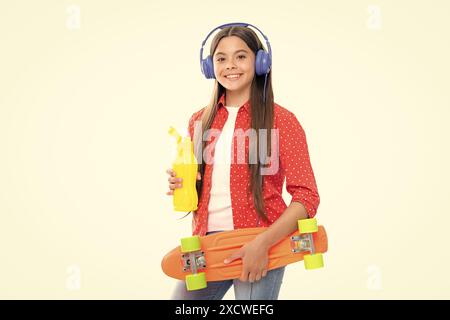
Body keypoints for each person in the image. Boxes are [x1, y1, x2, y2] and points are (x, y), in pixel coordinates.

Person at [165, 23, 320, 300]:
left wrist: (262, 244)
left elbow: (306, 197)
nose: (230, 66)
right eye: (221, 58)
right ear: (210, 67)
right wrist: (184, 184)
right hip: (207, 244)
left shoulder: (282, 121)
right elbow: (203, 187)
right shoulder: (199, 121)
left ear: (260, 62)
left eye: (241, 56)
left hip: (262, 243)